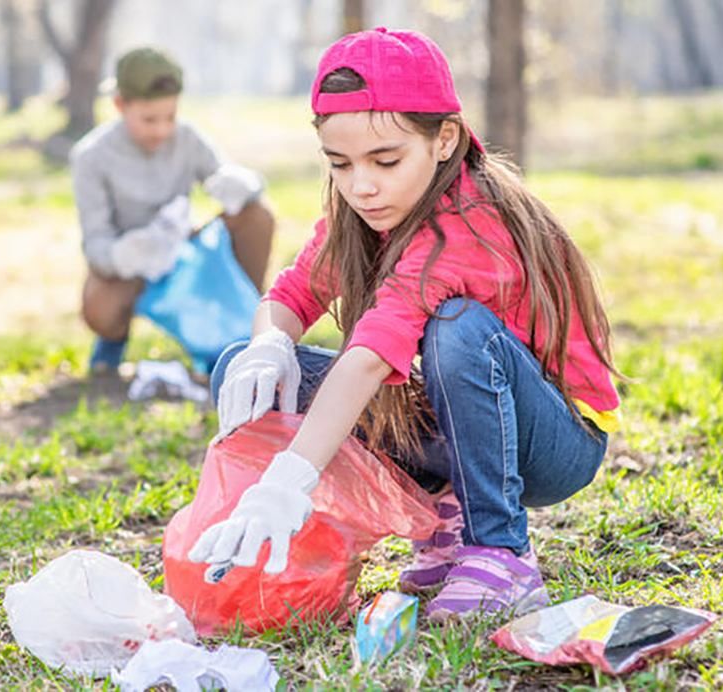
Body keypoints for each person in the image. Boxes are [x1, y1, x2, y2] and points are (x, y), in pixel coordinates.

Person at [188, 28, 621, 622]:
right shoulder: (363, 212)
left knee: (458, 328)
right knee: (246, 365)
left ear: (444, 139)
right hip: (465, 427)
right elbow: (289, 295)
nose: (362, 185)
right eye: (339, 164)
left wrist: (286, 481)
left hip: (554, 442)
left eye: (385, 160)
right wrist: (269, 345)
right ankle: (444, 515)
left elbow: (369, 356)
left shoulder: (467, 223)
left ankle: (501, 550)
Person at [69, 46, 275, 373]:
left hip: (182, 249)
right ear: (120, 105)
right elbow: (95, 243)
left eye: (170, 117)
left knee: (257, 216)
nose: (162, 130)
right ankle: (113, 340)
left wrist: (238, 184)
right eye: (149, 119)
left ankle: (243, 322)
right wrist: (124, 255)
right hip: (132, 263)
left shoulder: (186, 138)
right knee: (100, 309)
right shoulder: (92, 156)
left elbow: (224, 174)